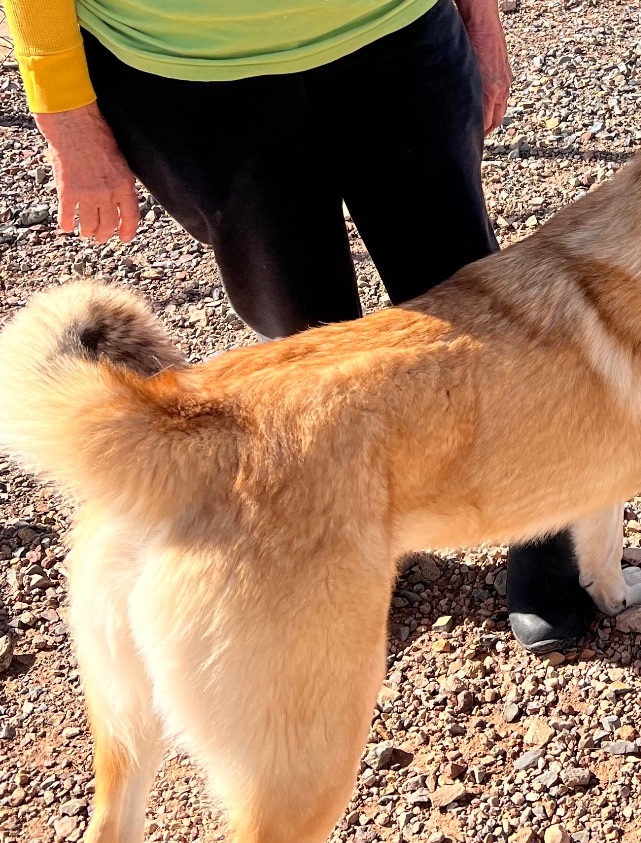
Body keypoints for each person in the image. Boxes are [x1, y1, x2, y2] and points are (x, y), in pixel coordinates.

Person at [2, 0, 595, 650]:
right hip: (191, 72)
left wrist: (478, 14)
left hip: (393, 31)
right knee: (301, 341)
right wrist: (65, 114)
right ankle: (355, 536)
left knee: (474, 319)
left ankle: (538, 524)